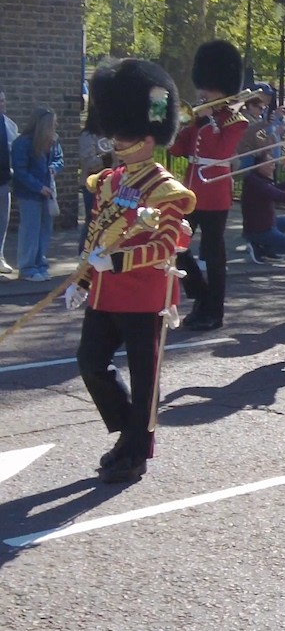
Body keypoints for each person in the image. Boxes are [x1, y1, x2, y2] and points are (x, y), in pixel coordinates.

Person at [71, 58, 196, 483]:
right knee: (91, 363)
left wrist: (116, 261)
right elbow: (95, 234)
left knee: (145, 379)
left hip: (145, 295)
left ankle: (136, 452)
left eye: (124, 136)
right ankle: (132, 433)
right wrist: (82, 278)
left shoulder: (166, 190)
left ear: (148, 138)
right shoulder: (109, 181)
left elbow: (165, 245)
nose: (117, 142)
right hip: (105, 292)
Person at [170, 39, 249, 331]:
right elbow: (178, 149)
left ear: (223, 90)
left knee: (214, 256)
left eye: (210, 89)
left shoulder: (235, 120)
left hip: (215, 193)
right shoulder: (198, 117)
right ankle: (201, 294)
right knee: (174, 243)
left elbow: (220, 151)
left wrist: (206, 122)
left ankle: (214, 311)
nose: (204, 93)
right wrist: (179, 128)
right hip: (189, 191)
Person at [12, 107, 65, 281]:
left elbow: (59, 159)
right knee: (30, 230)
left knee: (45, 230)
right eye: (53, 122)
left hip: (48, 192)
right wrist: (38, 187)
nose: (56, 125)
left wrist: (54, 168)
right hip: (29, 194)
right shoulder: (23, 143)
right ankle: (27, 268)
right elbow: (20, 171)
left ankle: (40, 264)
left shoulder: (53, 141)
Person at [241, 147, 285, 261]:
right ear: (260, 165)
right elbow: (283, 197)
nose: (273, 166)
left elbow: (276, 190)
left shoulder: (257, 179)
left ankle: (260, 245)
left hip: (263, 224)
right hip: (259, 230)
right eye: (270, 163)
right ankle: (261, 250)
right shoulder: (256, 182)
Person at [78, 103, 107, 255]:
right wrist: (107, 158)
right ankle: (83, 252)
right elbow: (88, 162)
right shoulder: (87, 136)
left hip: (109, 184)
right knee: (92, 219)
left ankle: (99, 252)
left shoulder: (109, 135)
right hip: (91, 184)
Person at [0, 89, 14, 274]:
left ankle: (0, 257)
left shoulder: (9, 125)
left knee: (2, 222)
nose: (2, 104)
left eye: (3, 100)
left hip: (4, 181)